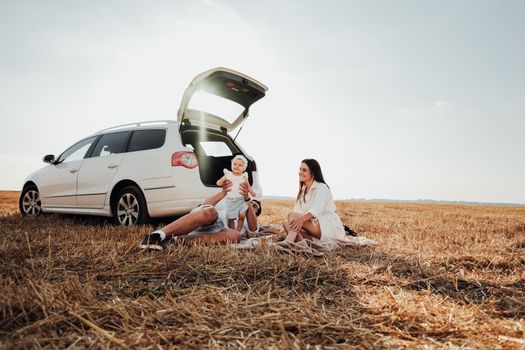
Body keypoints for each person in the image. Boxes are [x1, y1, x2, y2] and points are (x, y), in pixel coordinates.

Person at [139, 181, 261, 251]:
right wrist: (223, 193)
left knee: (234, 236)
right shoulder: (227, 202)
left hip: (218, 232)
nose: (252, 205)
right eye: (253, 203)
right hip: (206, 219)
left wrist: (248, 201)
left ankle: (175, 240)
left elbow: (253, 230)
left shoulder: (248, 219)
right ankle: (156, 236)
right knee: (211, 212)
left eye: (255, 206)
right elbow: (203, 206)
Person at [280, 159, 346, 246]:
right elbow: (297, 213)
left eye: (304, 170)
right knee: (287, 224)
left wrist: (300, 219)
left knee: (292, 217)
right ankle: (303, 243)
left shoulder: (321, 187)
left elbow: (317, 209)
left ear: (313, 172)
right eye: (300, 169)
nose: (300, 172)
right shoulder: (303, 192)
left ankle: (287, 243)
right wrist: (296, 222)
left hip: (327, 227)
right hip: (314, 227)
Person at [216, 155, 256, 232]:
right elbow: (218, 182)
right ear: (231, 165)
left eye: (240, 165)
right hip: (230, 200)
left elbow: (248, 185)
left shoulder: (244, 176)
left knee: (242, 216)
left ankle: (238, 231)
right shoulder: (228, 174)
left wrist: (251, 191)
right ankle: (232, 231)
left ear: (243, 168)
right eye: (235, 164)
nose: (236, 166)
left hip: (241, 199)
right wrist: (221, 182)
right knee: (230, 218)